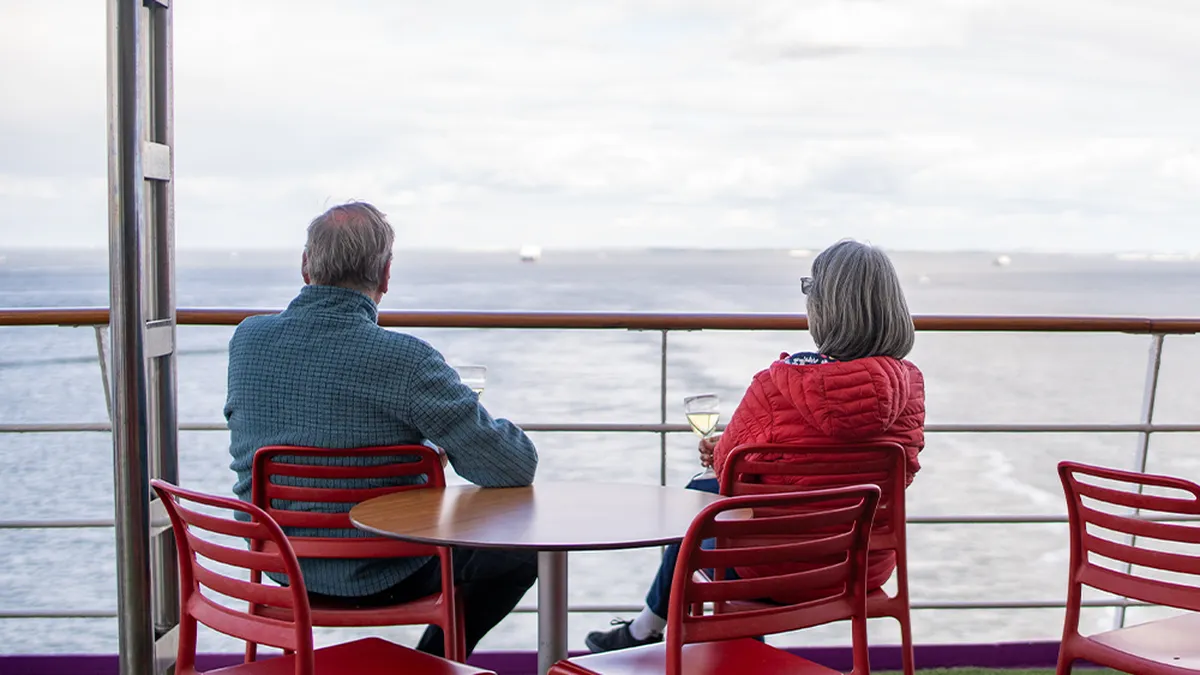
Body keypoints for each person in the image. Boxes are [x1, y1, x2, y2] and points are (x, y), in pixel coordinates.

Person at [224, 201, 539, 658]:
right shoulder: (407, 361)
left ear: (306, 266)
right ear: (386, 275)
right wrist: (442, 440)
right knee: (518, 555)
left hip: (280, 564)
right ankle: (433, 664)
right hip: (389, 574)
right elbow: (513, 467)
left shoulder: (247, 340)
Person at [585, 239, 926, 653]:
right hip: (860, 566)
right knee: (707, 498)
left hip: (770, 572)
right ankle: (647, 629)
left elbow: (728, 470)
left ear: (824, 306)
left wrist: (729, 451)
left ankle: (653, 631)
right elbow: (900, 474)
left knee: (698, 501)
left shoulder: (775, 386)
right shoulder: (910, 388)